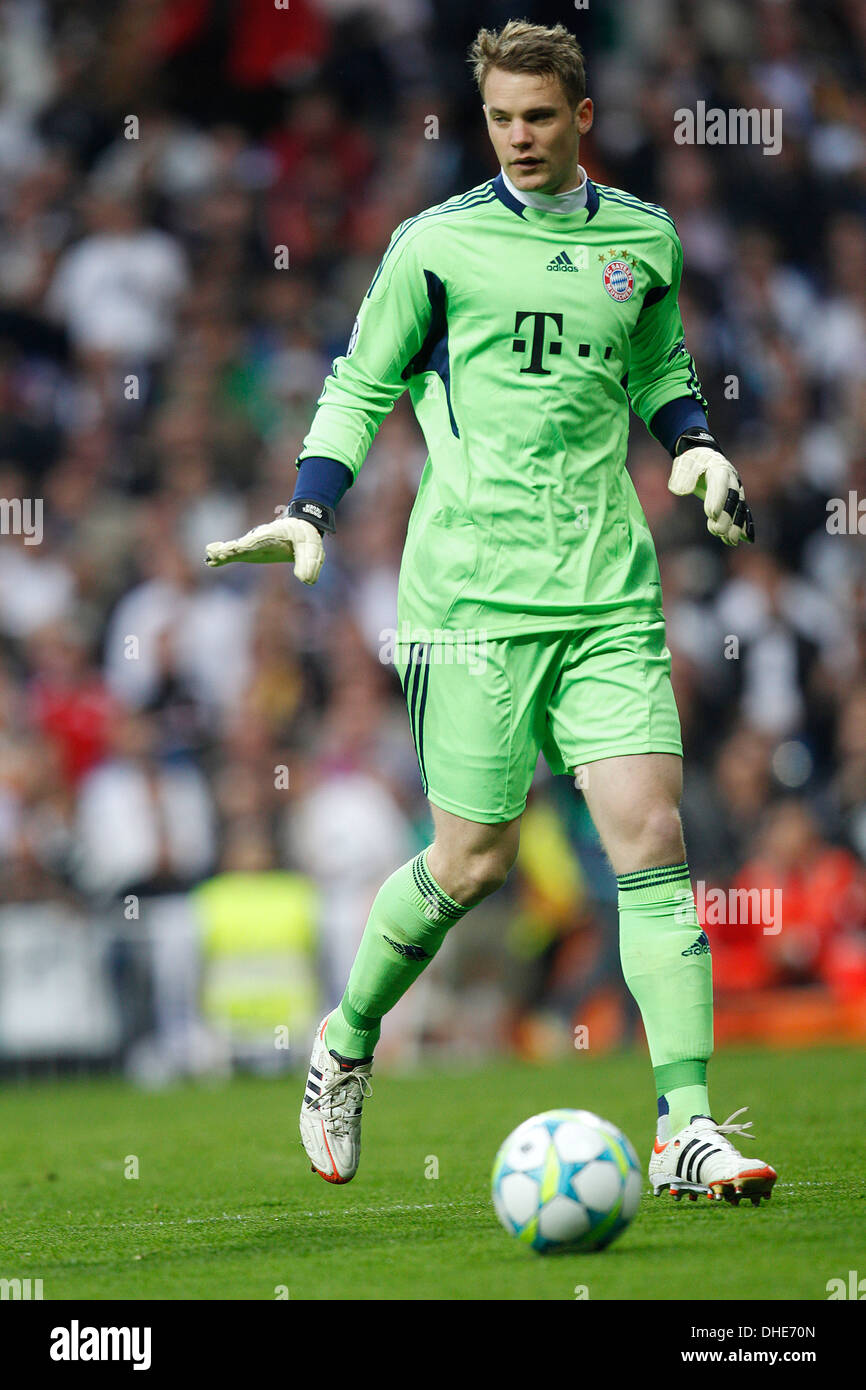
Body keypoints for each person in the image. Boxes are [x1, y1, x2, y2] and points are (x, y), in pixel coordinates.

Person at [205, 20, 775, 1205]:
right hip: (467, 600)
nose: (518, 137)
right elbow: (360, 382)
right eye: (500, 118)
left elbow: (658, 370)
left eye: (538, 117)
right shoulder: (436, 246)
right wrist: (309, 505)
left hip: (605, 594)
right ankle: (345, 1040)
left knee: (650, 839)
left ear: (580, 118)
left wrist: (695, 448)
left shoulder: (643, 240)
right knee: (472, 860)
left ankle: (683, 1127)